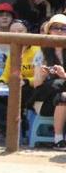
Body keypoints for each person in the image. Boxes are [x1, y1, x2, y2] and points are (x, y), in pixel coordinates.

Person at [0, 19, 40, 137]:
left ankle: (21, 130)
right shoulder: (14, 50)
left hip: (33, 87)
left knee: (21, 94)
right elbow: (6, 74)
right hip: (16, 86)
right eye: (13, 31)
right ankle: (5, 130)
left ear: (28, 33)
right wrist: (1, 82)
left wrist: (26, 81)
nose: (16, 34)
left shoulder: (37, 50)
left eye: (20, 31)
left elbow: (40, 76)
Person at [30, 14, 66, 151]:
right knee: (61, 93)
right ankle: (58, 139)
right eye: (56, 28)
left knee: (62, 92)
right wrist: (43, 75)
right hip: (45, 99)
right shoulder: (42, 52)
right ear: (49, 30)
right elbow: (37, 84)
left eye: (64, 28)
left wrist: (64, 75)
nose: (59, 31)